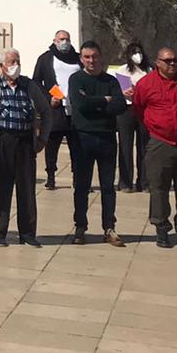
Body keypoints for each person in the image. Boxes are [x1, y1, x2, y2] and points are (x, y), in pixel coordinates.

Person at [131, 46, 177, 249]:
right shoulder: (146, 84)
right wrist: (157, 126)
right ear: (158, 62)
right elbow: (138, 109)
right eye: (168, 61)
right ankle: (161, 229)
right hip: (160, 143)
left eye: (175, 60)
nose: (173, 64)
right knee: (158, 187)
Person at [0, 48, 50, 247]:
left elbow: (46, 111)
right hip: (4, 142)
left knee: (26, 190)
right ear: (1, 66)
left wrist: (42, 138)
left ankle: (27, 233)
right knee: (1, 190)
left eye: (17, 61)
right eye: (11, 62)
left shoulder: (29, 85)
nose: (15, 65)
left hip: (25, 142)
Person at [66, 40, 125, 247]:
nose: (91, 60)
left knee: (108, 186)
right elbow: (79, 104)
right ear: (81, 59)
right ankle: (80, 227)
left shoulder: (111, 80)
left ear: (101, 57)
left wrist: (98, 102)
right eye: (87, 57)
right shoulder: (76, 79)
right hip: (82, 138)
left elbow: (120, 105)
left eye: (94, 56)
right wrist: (104, 100)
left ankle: (109, 227)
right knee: (82, 186)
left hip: (107, 137)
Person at [32, 30, 80, 191]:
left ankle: (77, 177)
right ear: (54, 40)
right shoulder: (46, 58)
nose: (64, 42)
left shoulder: (77, 58)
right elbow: (37, 82)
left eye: (67, 39)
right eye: (61, 39)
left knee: (77, 147)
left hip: (75, 110)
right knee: (52, 145)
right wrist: (48, 98)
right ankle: (50, 176)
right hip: (56, 108)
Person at [111, 41, 150, 193]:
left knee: (144, 146)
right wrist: (123, 92)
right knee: (125, 146)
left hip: (144, 110)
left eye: (139, 52)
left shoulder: (150, 70)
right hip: (125, 110)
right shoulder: (122, 70)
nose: (137, 55)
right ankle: (125, 182)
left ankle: (144, 182)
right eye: (134, 52)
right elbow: (117, 89)